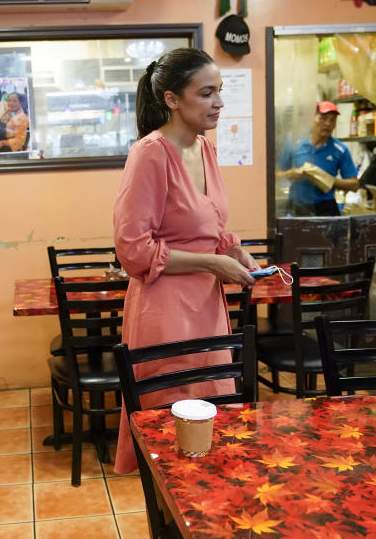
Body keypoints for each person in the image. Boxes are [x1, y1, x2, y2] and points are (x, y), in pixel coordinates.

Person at [112, 48, 258, 475]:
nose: (219, 102)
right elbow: (133, 249)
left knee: (213, 426)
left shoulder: (206, 150)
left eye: (220, 91)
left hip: (207, 308)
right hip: (165, 308)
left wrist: (232, 249)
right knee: (171, 429)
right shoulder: (150, 154)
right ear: (173, 99)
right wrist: (213, 265)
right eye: (206, 92)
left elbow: (208, 223)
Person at [275, 101, 360, 216]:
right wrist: (290, 174)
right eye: (323, 118)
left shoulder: (340, 149)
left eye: (332, 120)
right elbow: (275, 174)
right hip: (297, 205)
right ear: (313, 118)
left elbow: (354, 185)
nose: (328, 124)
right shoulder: (295, 142)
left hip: (325, 207)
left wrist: (328, 180)